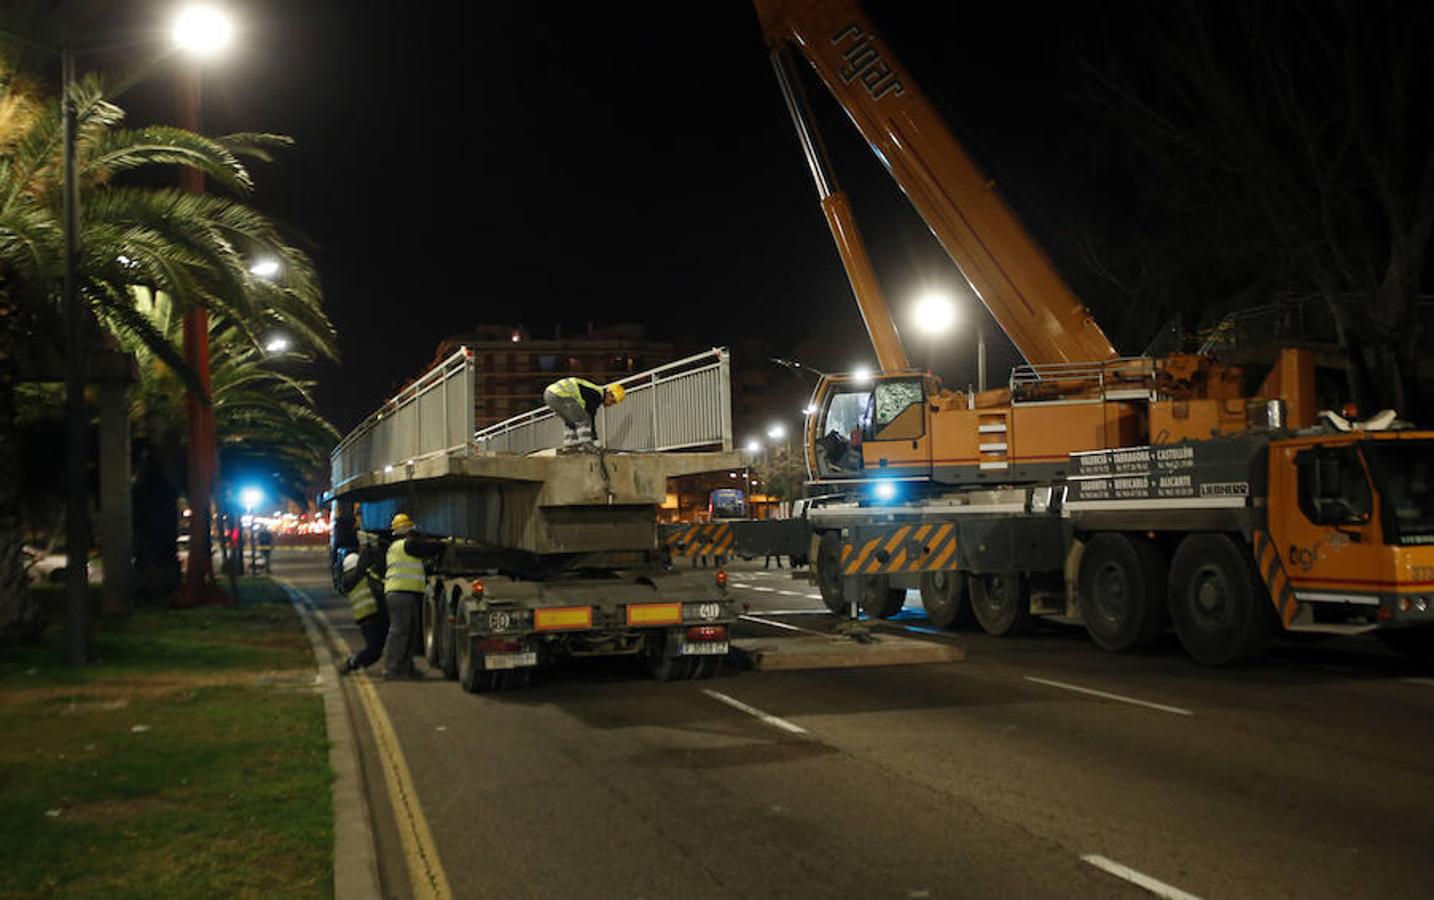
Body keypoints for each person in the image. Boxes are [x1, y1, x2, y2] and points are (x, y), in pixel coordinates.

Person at [381, 512, 445, 680]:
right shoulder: (405, 545)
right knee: (400, 632)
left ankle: (406, 668)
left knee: (409, 633)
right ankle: (392, 669)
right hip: (401, 594)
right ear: (408, 529)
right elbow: (427, 549)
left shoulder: (397, 547)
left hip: (406, 593)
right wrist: (443, 545)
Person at [337, 546, 388, 675]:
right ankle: (352, 662)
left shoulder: (357, 578)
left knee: (377, 649)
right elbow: (362, 568)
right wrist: (368, 551)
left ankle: (354, 663)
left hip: (371, 615)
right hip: (368, 616)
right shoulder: (352, 578)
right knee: (374, 649)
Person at [542, 377, 625, 451]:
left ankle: (570, 445)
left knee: (571, 421)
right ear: (609, 393)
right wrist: (595, 439)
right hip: (561, 395)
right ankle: (586, 445)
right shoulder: (596, 395)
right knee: (584, 419)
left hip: (549, 394)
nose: (610, 405)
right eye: (612, 401)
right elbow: (590, 416)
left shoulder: (592, 391)